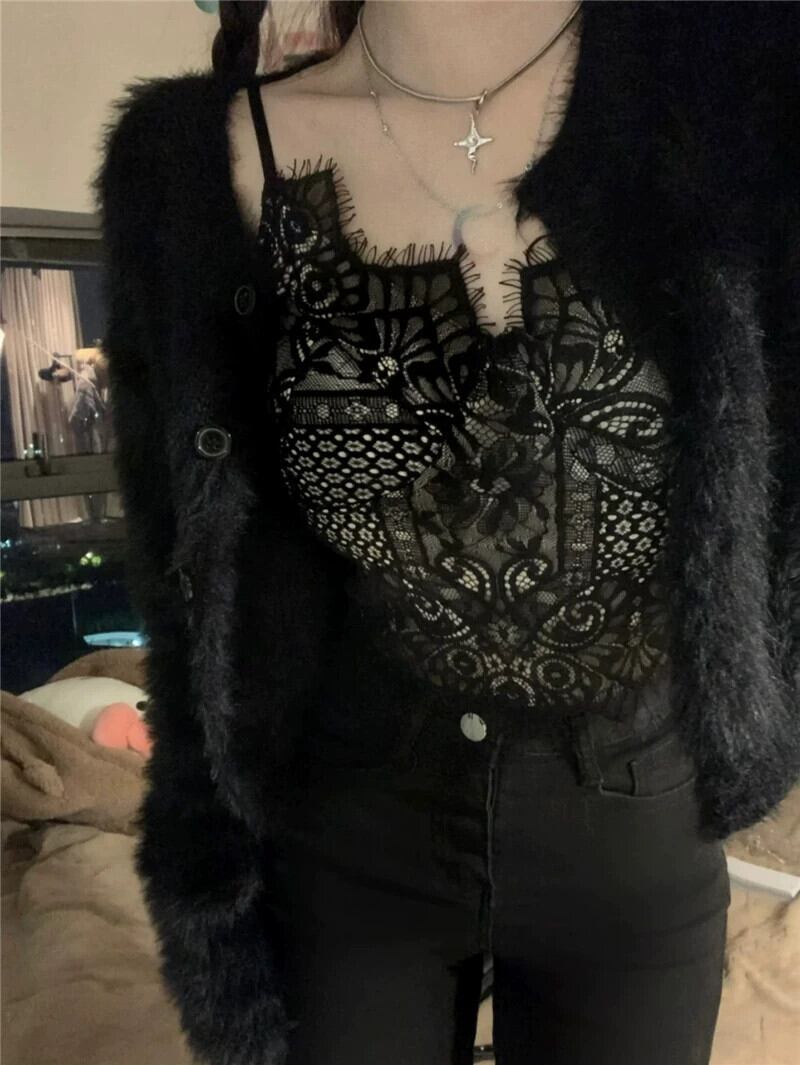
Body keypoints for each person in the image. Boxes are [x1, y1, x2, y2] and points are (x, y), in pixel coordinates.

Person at [91, 3, 799, 1065]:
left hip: (635, 835)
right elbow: (186, 556)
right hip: (344, 833)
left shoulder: (741, 97)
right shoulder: (201, 159)